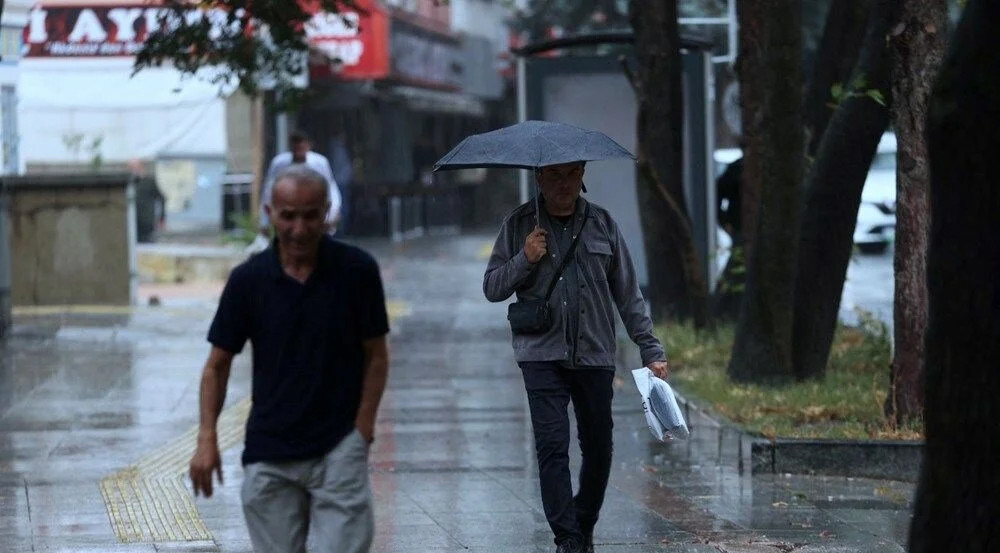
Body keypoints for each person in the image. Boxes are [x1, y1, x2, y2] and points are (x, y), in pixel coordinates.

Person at [190, 165, 390, 553]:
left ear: (327, 212)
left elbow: (376, 356)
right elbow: (217, 365)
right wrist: (206, 438)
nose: (299, 228)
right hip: (270, 452)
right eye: (288, 216)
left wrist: (362, 429)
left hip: (338, 447)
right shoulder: (248, 280)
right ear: (270, 213)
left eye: (311, 215)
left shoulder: (357, 271)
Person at [483, 161, 670, 553]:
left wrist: (650, 348)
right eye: (554, 175)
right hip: (540, 354)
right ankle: (567, 539)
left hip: (595, 353)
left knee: (599, 447)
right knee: (552, 447)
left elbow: (628, 294)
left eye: (570, 174)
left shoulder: (603, 224)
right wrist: (525, 258)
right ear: (539, 178)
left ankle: (582, 522)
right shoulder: (519, 225)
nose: (563, 184)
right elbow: (492, 287)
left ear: (582, 173)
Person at [259, 131, 343, 235]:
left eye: (301, 148)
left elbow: (330, 187)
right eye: (296, 148)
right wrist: (264, 222)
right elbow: (268, 191)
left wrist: (333, 212)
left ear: (308, 146)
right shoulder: (279, 163)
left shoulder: (319, 163)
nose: (299, 152)